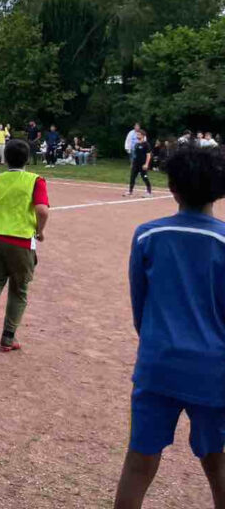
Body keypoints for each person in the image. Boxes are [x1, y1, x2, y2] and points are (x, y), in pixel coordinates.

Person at [112, 146, 225, 509]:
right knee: (216, 461)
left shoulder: (148, 236)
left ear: (172, 187)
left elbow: (139, 308)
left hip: (158, 363)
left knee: (139, 461)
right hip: (213, 369)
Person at [0, 139, 50, 352]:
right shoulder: (35, 180)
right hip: (21, 241)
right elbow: (42, 210)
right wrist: (40, 231)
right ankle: (8, 337)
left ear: (5, 159)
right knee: (19, 289)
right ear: (28, 159)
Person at [125, 129, 153, 197]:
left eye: (139, 134)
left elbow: (148, 155)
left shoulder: (146, 144)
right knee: (132, 177)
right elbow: (135, 155)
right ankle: (130, 191)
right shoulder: (136, 144)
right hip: (136, 164)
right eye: (137, 134)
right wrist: (132, 163)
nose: (137, 135)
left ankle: (149, 192)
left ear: (143, 136)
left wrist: (146, 164)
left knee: (145, 177)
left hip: (143, 164)